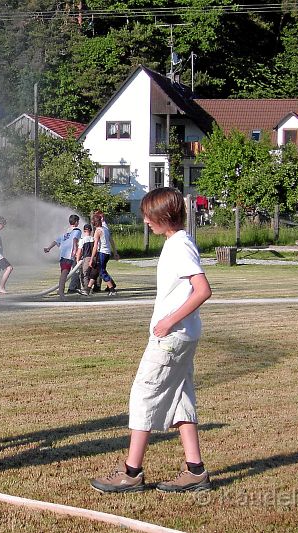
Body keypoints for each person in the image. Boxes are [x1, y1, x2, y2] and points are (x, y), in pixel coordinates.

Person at [90, 187, 213, 494]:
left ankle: (131, 473)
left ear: (163, 217)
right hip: (182, 337)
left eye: (148, 216)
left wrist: (169, 320)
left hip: (171, 338)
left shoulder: (179, 247)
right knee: (181, 397)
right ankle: (195, 470)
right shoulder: (178, 243)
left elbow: (202, 290)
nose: (145, 222)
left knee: (144, 395)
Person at [44, 214, 81, 298]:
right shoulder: (77, 231)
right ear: (76, 222)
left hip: (62, 256)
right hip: (68, 256)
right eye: (78, 221)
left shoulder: (66, 232)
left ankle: (61, 290)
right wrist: (75, 250)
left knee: (64, 274)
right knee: (64, 275)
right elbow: (75, 239)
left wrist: (48, 248)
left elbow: (56, 241)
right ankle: (61, 293)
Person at [90, 211, 118, 296]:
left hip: (102, 253)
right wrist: (115, 252)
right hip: (107, 253)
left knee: (102, 271)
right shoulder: (105, 228)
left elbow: (95, 246)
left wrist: (92, 258)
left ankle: (112, 289)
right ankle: (88, 289)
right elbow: (111, 241)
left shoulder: (99, 230)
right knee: (98, 270)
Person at [68, 223, 95, 295]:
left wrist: (77, 260)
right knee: (92, 274)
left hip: (86, 258)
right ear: (91, 230)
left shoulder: (82, 240)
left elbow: (79, 251)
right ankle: (94, 287)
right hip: (94, 258)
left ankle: (86, 289)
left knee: (84, 274)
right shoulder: (93, 239)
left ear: (84, 230)